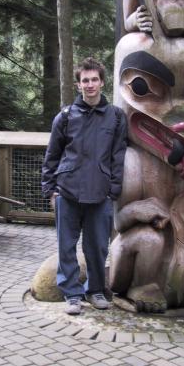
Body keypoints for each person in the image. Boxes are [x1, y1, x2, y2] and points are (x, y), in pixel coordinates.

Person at [41, 58, 127, 315]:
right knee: (66, 246)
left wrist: (113, 189)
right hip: (67, 192)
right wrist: (51, 189)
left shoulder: (115, 117)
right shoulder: (65, 117)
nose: (90, 85)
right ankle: (71, 294)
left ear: (102, 82)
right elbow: (52, 155)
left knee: (98, 246)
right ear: (78, 84)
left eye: (94, 79)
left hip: (100, 193)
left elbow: (118, 156)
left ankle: (95, 290)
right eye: (85, 80)